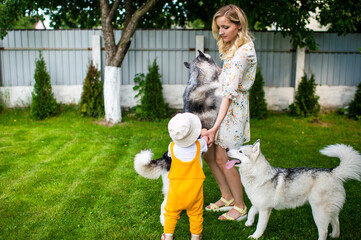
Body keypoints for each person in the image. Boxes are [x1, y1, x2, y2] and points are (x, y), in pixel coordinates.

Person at [202, 4, 257, 221]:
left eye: (225, 27)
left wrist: (214, 128)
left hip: (233, 110)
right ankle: (227, 197)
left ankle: (241, 206)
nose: (221, 32)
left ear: (239, 25)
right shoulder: (233, 46)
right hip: (223, 106)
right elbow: (229, 76)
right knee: (210, 155)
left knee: (226, 158)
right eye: (219, 28)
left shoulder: (243, 52)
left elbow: (230, 93)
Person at [162, 113, 209, 240]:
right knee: (196, 213)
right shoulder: (200, 145)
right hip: (194, 191)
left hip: (176, 191)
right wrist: (204, 133)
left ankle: (168, 235)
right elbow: (207, 140)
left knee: (171, 212)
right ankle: (195, 236)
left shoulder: (171, 147)